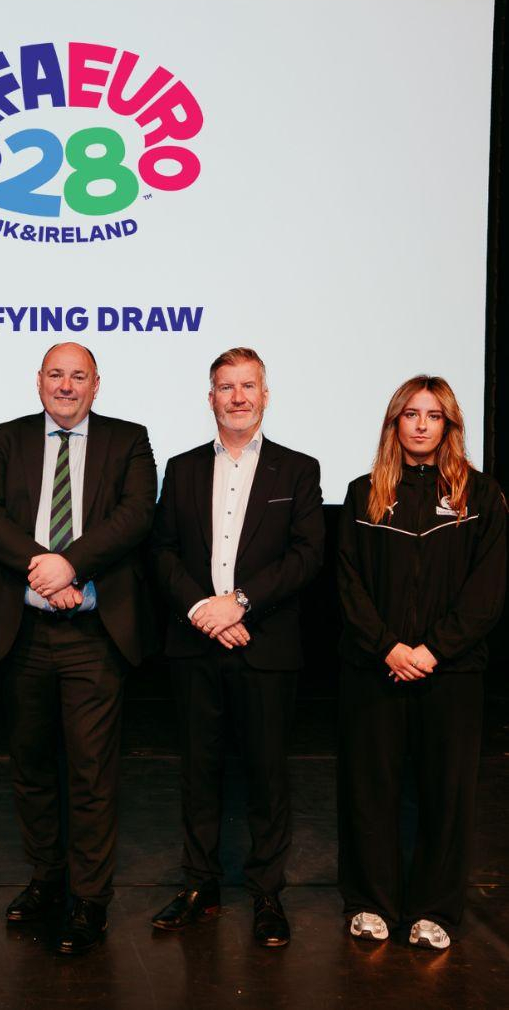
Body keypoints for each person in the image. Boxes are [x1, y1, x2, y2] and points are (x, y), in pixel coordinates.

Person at [0, 343, 156, 954]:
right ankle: (47, 880)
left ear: (96, 385)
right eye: (57, 374)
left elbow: (133, 517)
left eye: (79, 376)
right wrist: (42, 569)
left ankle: (88, 899)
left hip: (94, 639)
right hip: (22, 634)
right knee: (30, 771)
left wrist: (70, 565)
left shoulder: (130, 440)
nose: (67, 386)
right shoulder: (4, 438)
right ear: (39, 381)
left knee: (91, 774)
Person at [150, 347, 324, 947]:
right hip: (195, 645)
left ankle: (266, 894)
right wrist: (204, 609)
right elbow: (163, 551)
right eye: (227, 387)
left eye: (249, 385)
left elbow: (306, 555)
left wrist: (240, 602)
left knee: (267, 776)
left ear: (266, 394)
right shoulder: (181, 468)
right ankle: (200, 886)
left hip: (265, 646)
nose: (239, 397)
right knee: (198, 773)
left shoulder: (298, 470)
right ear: (211, 397)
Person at [337, 375, 506, 950]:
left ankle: (436, 909)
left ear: (450, 426)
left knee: (446, 793)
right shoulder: (363, 494)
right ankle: (370, 903)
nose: (421, 424)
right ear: (394, 423)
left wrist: (433, 651)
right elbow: (348, 584)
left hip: (451, 673)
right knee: (371, 789)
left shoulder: (481, 498)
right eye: (410, 414)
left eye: (433, 416)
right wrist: (387, 646)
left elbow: (486, 594)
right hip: (375, 667)